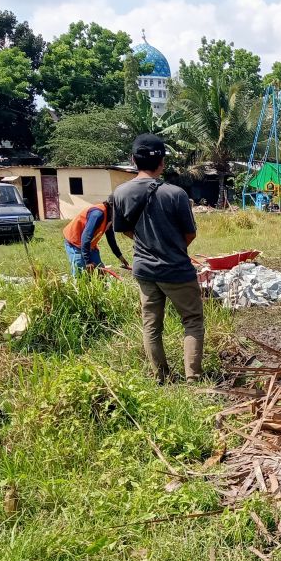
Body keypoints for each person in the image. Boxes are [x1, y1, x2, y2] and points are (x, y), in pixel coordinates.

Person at [112, 134, 205, 383]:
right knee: (192, 320)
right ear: (162, 162)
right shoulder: (176, 194)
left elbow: (123, 229)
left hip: (144, 270)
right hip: (176, 270)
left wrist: (148, 246)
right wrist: (170, 248)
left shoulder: (120, 193)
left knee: (151, 326)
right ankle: (193, 378)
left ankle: (162, 377)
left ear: (133, 160)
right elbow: (190, 233)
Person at [62, 197, 130, 276]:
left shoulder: (110, 217)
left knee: (100, 273)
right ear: (112, 207)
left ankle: (101, 287)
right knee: (81, 273)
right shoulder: (97, 214)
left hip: (89, 245)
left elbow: (111, 239)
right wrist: (87, 261)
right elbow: (86, 236)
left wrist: (119, 256)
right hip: (75, 243)